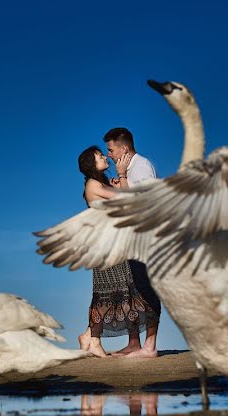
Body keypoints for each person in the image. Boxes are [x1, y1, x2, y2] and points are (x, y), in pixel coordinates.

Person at [76, 146, 159, 357]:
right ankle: (92, 338)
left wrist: (115, 183)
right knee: (106, 293)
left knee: (117, 293)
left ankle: (90, 336)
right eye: (100, 156)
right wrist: (122, 174)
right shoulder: (93, 183)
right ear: (91, 164)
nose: (105, 157)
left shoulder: (99, 183)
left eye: (104, 154)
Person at [101, 127, 162, 358]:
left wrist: (124, 178)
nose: (109, 154)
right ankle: (135, 343)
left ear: (123, 148)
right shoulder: (129, 168)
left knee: (147, 288)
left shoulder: (142, 166)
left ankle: (150, 346)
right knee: (133, 290)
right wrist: (121, 185)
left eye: (110, 149)